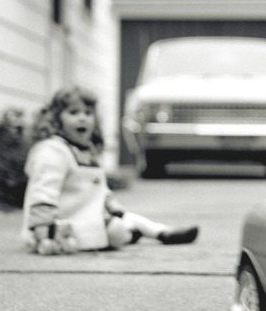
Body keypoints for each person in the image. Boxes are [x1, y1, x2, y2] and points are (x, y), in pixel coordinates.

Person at [20, 86, 199, 254]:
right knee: (117, 229)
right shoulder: (53, 151)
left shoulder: (85, 150)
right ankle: (131, 233)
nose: (82, 118)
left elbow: (98, 190)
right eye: (73, 112)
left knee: (128, 218)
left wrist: (113, 208)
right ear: (57, 119)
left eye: (88, 113)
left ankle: (163, 232)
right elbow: (43, 191)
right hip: (59, 224)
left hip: (86, 216)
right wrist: (42, 231)